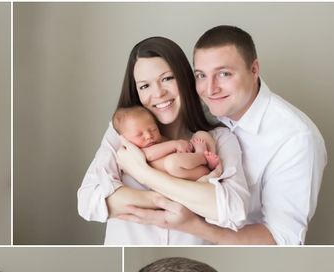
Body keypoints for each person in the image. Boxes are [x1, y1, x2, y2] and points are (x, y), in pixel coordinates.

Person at [77, 36, 249, 247]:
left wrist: (143, 173)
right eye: (144, 86)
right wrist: (168, 201)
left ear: (184, 78)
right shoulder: (122, 134)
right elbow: (88, 201)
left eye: (167, 78)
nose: (158, 93)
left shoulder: (218, 138)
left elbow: (233, 209)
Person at [184, 25, 327, 246]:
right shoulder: (198, 113)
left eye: (224, 74)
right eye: (201, 75)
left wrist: (191, 226)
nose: (210, 89)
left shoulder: (296, 139)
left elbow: (281, 239)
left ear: (254, 70)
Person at [112, 107, 222, 181]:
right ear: (125, 139)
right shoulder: (135, 152)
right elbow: (149, 155)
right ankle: (203, 158)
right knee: (172, 162)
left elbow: (183, 149)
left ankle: (209, 162)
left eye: (153, 129)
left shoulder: (161, 140)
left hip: (193, 165)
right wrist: (175, 145)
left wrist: (186, 147)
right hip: (184, 174)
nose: (148, 136)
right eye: (138, 135)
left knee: (201, 135)